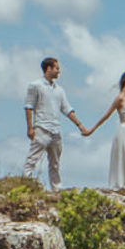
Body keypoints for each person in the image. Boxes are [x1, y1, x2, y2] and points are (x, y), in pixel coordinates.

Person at [23, 57, 88, 189]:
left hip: (56, 130)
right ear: (49, 69)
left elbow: (66, 109)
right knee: (32, 160)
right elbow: (29, 107)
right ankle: (26, 184)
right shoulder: (35, 86)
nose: (59, 71)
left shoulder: (60, 90)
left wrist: (80, 125)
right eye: (57, 68)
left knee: (55, 163)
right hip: (41, 128)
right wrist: (30, 128)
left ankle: (56, 189)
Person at [90, 71, 125, 191]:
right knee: (123, 157)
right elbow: (107, 115)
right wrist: (92, 129)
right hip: (123, 130)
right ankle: (121, 184)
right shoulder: (120, 99)